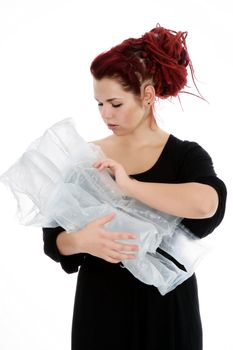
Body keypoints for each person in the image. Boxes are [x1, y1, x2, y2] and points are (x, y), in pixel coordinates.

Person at [42, 24, 227, 350]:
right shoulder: (87, 159)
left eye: (115, 103)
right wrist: (81, 240)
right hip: (102, 311)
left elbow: (207, 205)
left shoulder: (186, 156)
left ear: (147, 96)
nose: (105, 114)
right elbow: (54, 239)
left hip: (168, 312)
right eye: (99, 104)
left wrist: (128, 186)